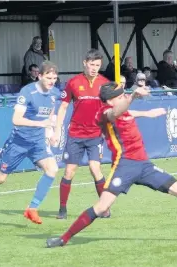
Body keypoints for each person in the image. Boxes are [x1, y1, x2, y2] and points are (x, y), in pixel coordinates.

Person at [45, 81, 177, 248]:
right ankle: (63, 238)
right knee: (102, 206)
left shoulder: (120, 109)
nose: (124, 97)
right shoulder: (104, 113)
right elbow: (117, 113)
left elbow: (126, 113)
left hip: (144, 165)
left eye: (124, 94)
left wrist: (147, 113)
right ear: (110, 100)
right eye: (120, 95)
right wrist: (133, 97)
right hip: (124, 165)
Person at [0, 61, 60, 229]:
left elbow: (52, 113)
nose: (52, 81)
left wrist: (51, 132)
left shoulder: (54, 93)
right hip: (19, 142)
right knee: (0, 178)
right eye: (48, 77)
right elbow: (16, 120)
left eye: (54, 77)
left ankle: (32, 208)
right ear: (39, 76)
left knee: (52, 169)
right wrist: (41, 124)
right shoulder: (28, 92)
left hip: (37, 142)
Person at [51, 49, 111, 220]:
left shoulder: (104, 84)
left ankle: (104, 207)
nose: (94, 68)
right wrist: (56, 130)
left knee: (95, 168)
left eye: (98, 65)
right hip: (75, 135)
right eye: (92, 64)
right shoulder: (73, 82)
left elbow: (110, 108)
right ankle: (62, 209)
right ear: (84, 63)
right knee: (69, 171)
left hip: (95, 135)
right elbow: (62, 107)